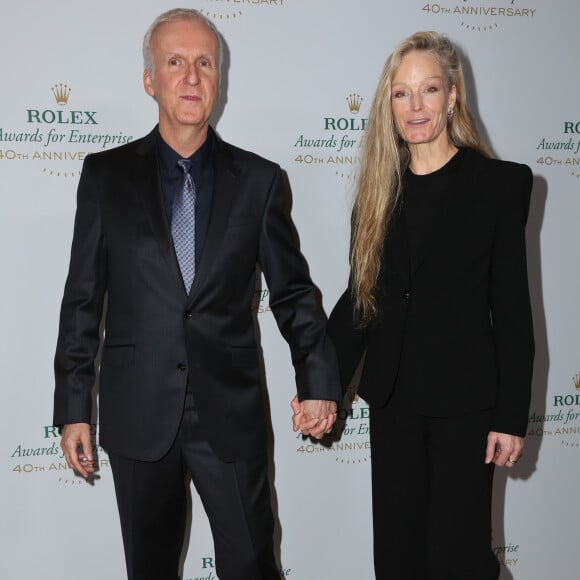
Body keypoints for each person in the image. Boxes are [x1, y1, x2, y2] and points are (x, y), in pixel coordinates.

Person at [53, 8, 340, 580]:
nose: (191, 77)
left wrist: (318, 381)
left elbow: (293, 294)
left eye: (204, 63)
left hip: (229, 413)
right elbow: (82, 298)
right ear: (149, 79)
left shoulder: (259, 181)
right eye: (176, 63)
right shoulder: (105, 177)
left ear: (220, 78)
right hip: (138, 412)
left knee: (254, 565)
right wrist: (72, 407)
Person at [320, 31, 534, 579]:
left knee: (458, 558)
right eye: (401, 93)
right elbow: (359, 302)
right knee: (397, 558)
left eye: (429, 90)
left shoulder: (500, 185)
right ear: (387, 104)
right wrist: (321, 387)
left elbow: (512, 311)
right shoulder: (376, 195)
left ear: (452, 96)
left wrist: (511, 416)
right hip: (394, 407)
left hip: (466, 408)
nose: (416, 107)